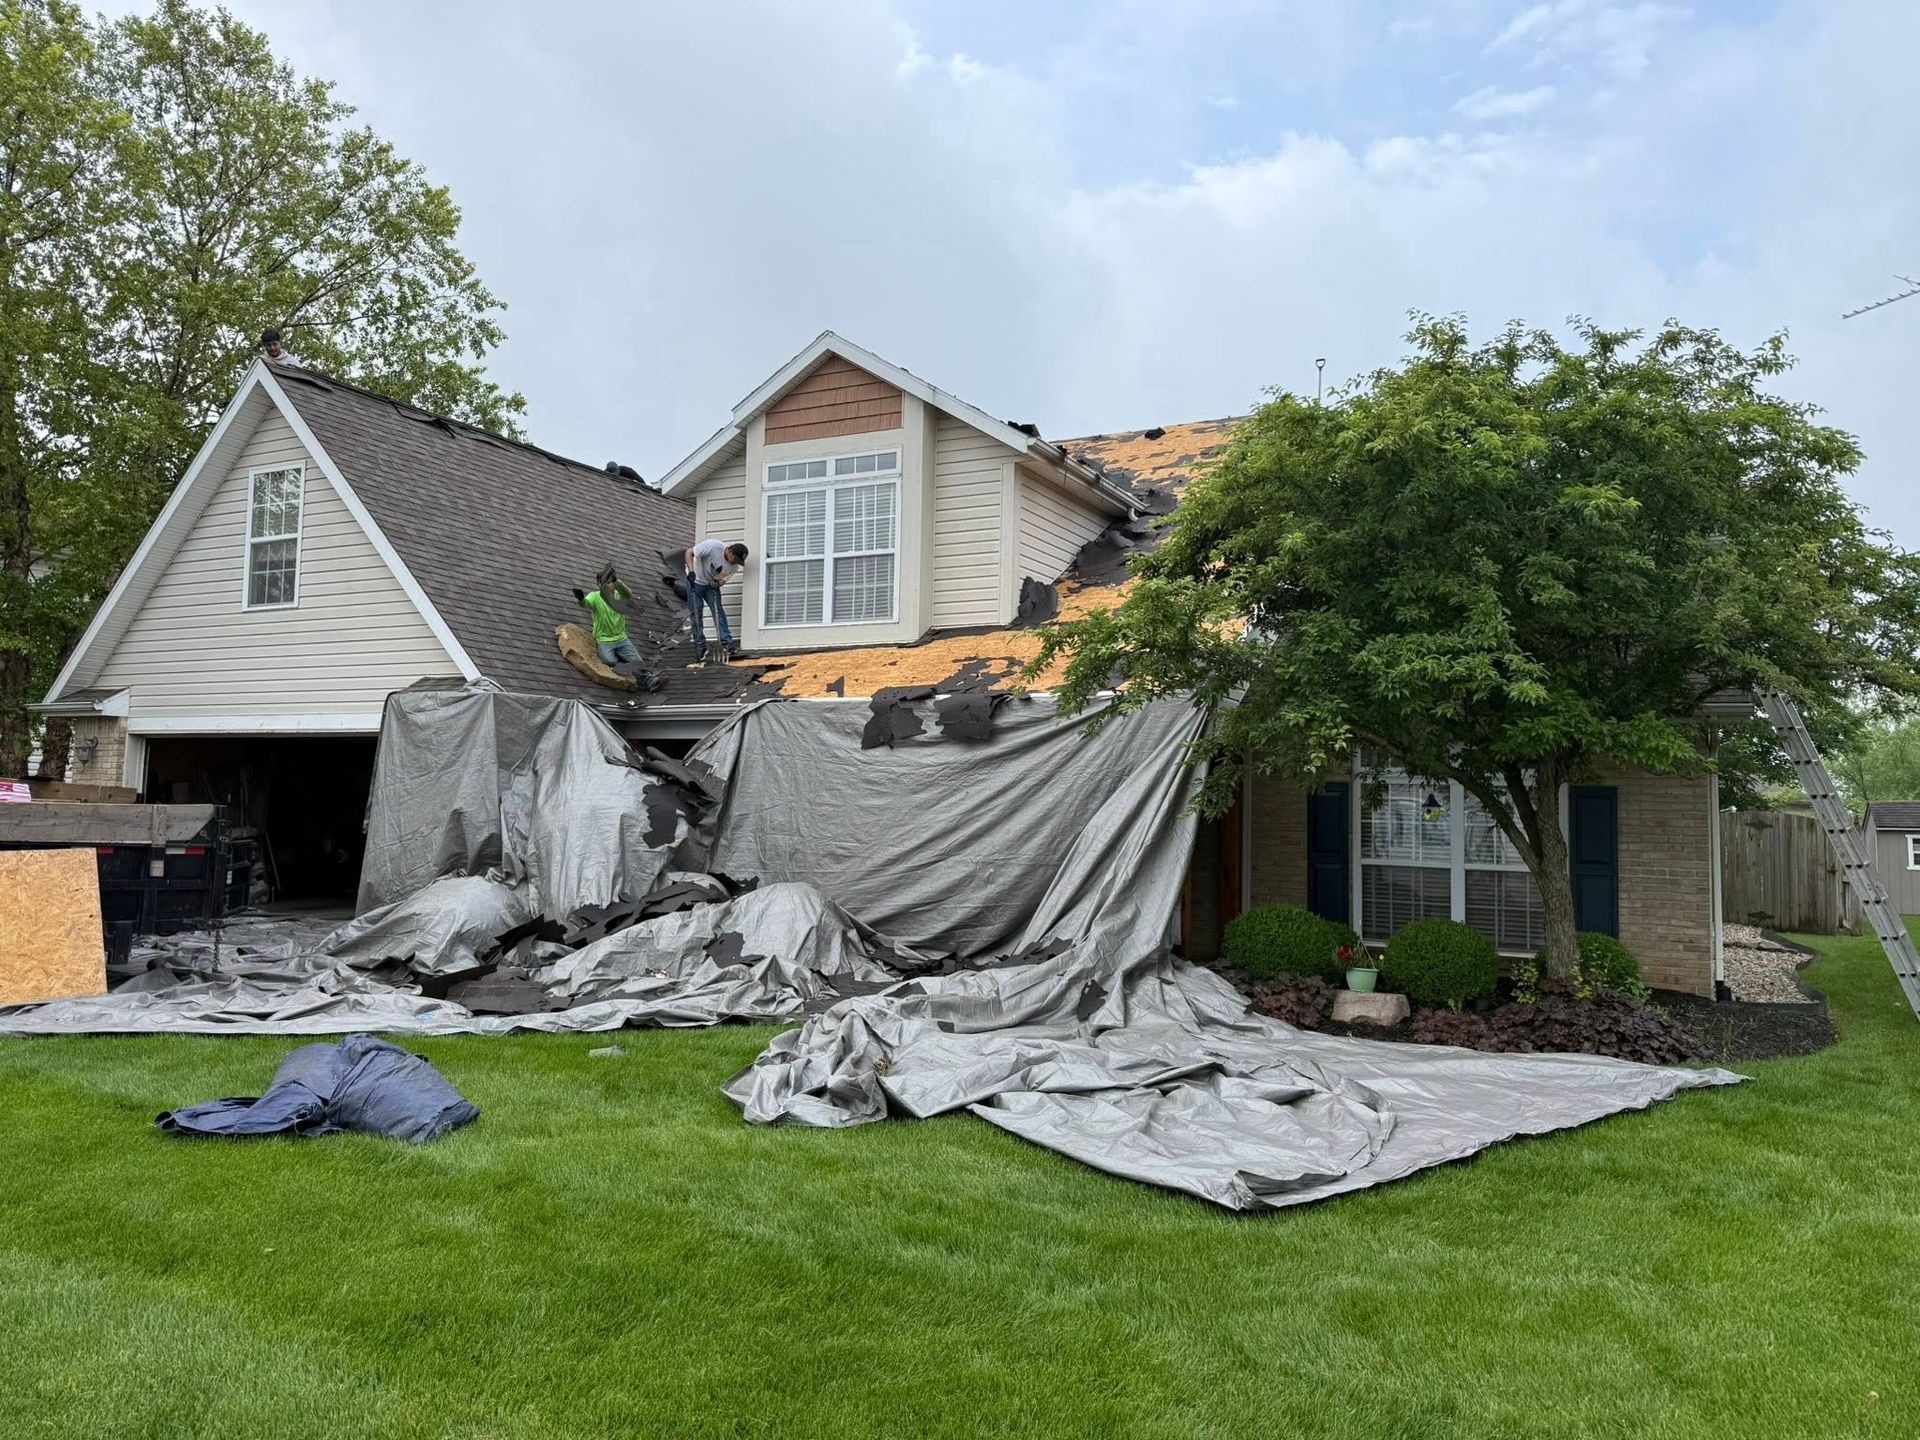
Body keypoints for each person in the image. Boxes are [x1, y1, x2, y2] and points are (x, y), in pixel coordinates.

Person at [684, 540, 748, 662]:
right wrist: (691, 571)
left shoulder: (733, 567)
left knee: (718, 612)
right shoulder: (712, 546)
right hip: (694, 582)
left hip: (710, 587)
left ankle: (727, 644)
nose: (735, 563)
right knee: (696, 615)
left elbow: (722, 580)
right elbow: (689, 553)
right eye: (735, 559)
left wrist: (717, 582)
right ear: (729, 551)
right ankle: (700, 646)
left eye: (739, 561)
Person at [573, 565, 641, 669]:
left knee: (637, 660)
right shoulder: (595, 597)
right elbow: (586, 603)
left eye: (609, 582)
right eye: (603, 583)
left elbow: (629, 594)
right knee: (608, 660)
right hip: (604, 640)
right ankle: (624, 667)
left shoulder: (620, 595)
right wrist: (581, 599)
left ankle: (649, 679)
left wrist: (616, 580)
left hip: (621, 638)